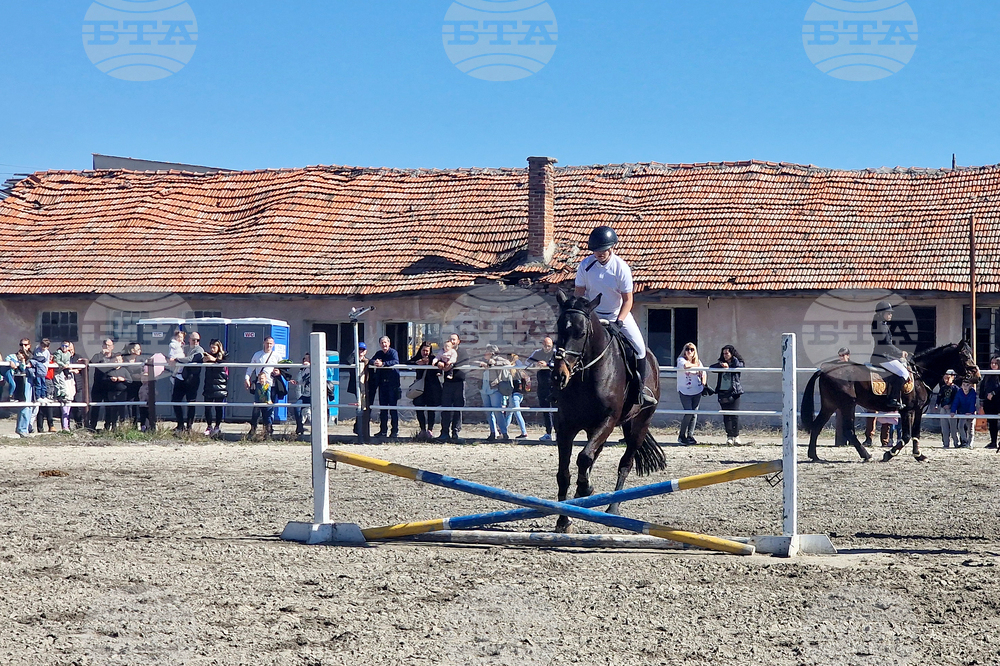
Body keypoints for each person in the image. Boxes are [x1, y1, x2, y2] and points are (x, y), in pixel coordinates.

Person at [574, 225, 656, 407]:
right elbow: (579, 294)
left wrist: (618, 322)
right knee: (571, 343)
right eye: (596, 250)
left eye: (602, 250)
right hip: (592, 314)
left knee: (640, 348)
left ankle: (640, 390)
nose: (599, 253)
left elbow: (628, 300)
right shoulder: (585, 266)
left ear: (612, 248)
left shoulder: (621, 268)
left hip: (617, 314)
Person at [871, 301, 909, 411]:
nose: (890, 315)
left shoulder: (881, 324)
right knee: (904, 372)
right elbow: (886, 345)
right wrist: (899, 353)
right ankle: (893, 399)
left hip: (883, 356)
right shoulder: (880, 326)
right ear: (880, 313)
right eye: (888, 313)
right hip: (881, 357)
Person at [245, 337, 281, 438]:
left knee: (268, 409)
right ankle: (253, 429)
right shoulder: (257, 355)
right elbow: (250, 368)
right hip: (259, 385)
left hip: (271, 385)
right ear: (263, 343)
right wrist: (247, 378)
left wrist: (279, 372)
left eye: (270, 344)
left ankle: (268, 430)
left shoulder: (277, 356)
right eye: (267, 343)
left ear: (273, 344)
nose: (268, 345)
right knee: (256, 408)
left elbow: (283, 369)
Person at [171, 332, 205, 433]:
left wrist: (177, 359)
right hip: (180, 378)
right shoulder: (184, 348)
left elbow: (191, 359)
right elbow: (172, 353)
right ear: (189, 339)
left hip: (192, 379)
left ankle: (189, 426)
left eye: (198, 340)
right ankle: (180, 424)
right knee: (175, 400)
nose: (196, 342)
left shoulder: (199, 350)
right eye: (194, 339)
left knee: (191, 402)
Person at [408, 342, 442, 441]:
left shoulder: (433, 358)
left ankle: (430, 430)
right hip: (420, 388)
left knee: (431, 409)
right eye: (423, 350)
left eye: (427, 351)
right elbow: (406, 363)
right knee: (419, 407)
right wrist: (417, 363)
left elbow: (439, 368)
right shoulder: (417, 357)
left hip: (432, 388)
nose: (425, 353)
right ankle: (422, 429)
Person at [711, 345, 744, 445]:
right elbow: (711, 368)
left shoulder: (737, 363)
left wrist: (731, 363)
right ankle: (729, 436)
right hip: (723, 392)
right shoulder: (721, 363)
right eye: (723, 354)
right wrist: (721, 365)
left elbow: (740, 366)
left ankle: (736, 436)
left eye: (727, 353)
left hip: (734, 392)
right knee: (726, 415)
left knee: (734, 415)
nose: (725, 355)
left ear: (732, 354)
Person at [437, 333, 467, 442]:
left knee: (458, 407)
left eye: (454, 339)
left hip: (459, 382)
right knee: (445, 407)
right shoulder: (444, 351)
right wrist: (440, 363)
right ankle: (444, 432)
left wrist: (448, 364)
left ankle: (455, 431)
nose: (452, 341)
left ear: (458, 341)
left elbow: (462, 363)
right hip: (448, 382)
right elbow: (439, 359)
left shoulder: (462, 352)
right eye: (450, 339)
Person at [370, 336, 401, 438]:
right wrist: (375, 362)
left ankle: (394, 431)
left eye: (385, 342)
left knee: (392, 408)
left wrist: (383, 364)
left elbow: (395, 361)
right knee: (383, 409)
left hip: (392, 385)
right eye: (382, 343)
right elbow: (371, 360)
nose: (384, 345)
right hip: (382, 384)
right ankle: (383, 431)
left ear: (389, 343)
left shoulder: (393, 352)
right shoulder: (379, 353)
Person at [677, 342, 706, 445]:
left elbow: (704, 372)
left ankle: (690, 435)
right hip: (685, 391)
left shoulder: (699, 362)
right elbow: (686, 366)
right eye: (687, 349)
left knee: (694, 414)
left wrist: (703, 383)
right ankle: (681, 435)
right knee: (688, 412)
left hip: (697, 390)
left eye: (692, 349)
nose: (689, 351)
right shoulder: (680, 360)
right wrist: (696, 365)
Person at [479, 345, 510, 442]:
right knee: (488, 412)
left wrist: (495, 362)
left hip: (494, 387)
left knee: (497, 411)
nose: (485, 353)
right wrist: (481, 363)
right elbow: (473, 362)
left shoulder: (498, 359)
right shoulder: (483, 359)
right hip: (484, 387)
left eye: (487, 351)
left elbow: (507, 362)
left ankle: (504, 433)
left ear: (492, 353)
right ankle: (493, 432)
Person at [527, 336, 555, 441]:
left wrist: (547, 364)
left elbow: (559, 364)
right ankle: (548, 433)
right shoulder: (538, 353)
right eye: (546, 345)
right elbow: (527, 362)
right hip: (542, 384)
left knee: (557, 410)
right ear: (542, 345)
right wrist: (536, 364)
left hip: (554, 385)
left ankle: (559, 432)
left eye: (549, 346)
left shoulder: (555, 353)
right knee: (545, 409)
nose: (547, 348)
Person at [202, 339, 228, 437]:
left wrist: (214, 360)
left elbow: (225, 361)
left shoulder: (224, 355)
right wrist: (204, 359)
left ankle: (217, 426)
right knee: (207, 407)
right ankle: (209, 426)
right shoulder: (207, 355)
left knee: (218, 407)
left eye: (214, 347)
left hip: (220, 385)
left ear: (218, 347)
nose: (212, 349)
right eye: (211, 347)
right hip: (209, 384)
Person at [88, 338, 115, 431]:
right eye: (105, 345)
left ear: (112, 347)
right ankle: (92, 426)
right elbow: (91, 363)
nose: (107, 347)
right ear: (103, 346)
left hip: (110, 385)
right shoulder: (98, 356)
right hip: (98, 385)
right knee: (95, 406)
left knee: (109, 407)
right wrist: (101, 354)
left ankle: (107, 426)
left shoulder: (114, 356)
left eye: (109, 345)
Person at [504, 352, 529, 439]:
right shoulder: (520, 370)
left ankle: (524, 432)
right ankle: (503, 431)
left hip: (514, 394)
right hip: (519, 394)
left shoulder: (511, 371)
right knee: (509, 413)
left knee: (517, 413)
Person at [52, 341, 76, 431]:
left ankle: (68, 426)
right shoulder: (60, 354)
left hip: (71, 381)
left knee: (69, 404)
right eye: (64, 346)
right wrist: (65, 366)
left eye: (69, 347)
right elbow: (58, 364)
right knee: (64, 404)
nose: (68, 349)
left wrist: (73, 370)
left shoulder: (74, 357)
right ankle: (65, 426)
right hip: (64, 380)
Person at [105, 352, 131, 430]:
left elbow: (130, 380)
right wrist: (110, 379)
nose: (118, 362)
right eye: (116, 360)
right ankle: (113, 426)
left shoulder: (124, 370)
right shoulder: (109, 371)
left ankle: (121, 426)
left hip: (122, 392)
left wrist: (123, 379)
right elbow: (103, 380)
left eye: (119, 360)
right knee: (113, 409)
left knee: (121, 409)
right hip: (112, 392)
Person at [979, 356, 1000, 449]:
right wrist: (981, 399)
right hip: (989, 403)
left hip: (998, 400)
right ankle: (993, 442)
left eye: (995, 363)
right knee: (992, 422)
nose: (993, 365)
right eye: (992, 363)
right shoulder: (988, 375)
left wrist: (993, 393)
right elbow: (983, 386)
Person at [935, 369, 959, 449]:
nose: (946, 380)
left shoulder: (956, 389)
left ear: (953, 377)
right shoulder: (942, 388)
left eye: (948, 378)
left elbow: (956, 399)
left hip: (951, 409)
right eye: (945, 378)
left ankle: (956, 442)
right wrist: (937, 405)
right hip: (943, 408)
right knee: (944, 427)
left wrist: (951, 406)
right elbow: (939, 397)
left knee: (953, 428)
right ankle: (945, 443)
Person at [951, 378, 978, 449]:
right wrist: (953, 411)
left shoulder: (973, 392)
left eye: (967, 385)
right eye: (964, 385)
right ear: (961, 386)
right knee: (960, 426)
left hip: (971, 413)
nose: (965, 387)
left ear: (970, 386)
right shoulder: (959, 392)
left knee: (970, 428)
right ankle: (964, 441)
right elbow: (956, 402)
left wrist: (971, 412)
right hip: (962, 412)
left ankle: (970, 443)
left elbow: (973, 403)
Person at [123, 342, 144, 426]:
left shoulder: (141, 360)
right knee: (130, 405)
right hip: (128, 385)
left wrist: (141, 375)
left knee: (140, 404)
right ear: (132, 350)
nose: (140, 350)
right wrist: (132, 376)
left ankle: (142, 424)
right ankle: (133, 424)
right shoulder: (124, 360)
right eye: (138, 349)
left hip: (139, 384)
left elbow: (145, 370)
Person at [290, 353, 311, 437]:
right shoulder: (303, 370)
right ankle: (299, 427)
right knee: (296, 407)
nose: (305, 361)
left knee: (311, 412)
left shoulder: (314, 367)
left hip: (314, 394)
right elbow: (302, 381)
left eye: (307, 359)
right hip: (306, 394)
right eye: (304, 359)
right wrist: (297, 382)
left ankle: (315, 429)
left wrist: (310, 366)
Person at [67, 342, 86, 429]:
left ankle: (79, 424)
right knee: (68, 407)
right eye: (69, 349)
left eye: (72, 349)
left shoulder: (78, 357)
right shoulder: (63, 358)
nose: (71, 351)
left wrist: (77, 368)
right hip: (67, 385)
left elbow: (84, 368)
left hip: (78, 385)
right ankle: (66, 426)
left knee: (78, 406)